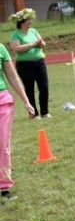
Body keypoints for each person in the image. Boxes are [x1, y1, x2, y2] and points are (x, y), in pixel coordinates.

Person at [0, 42, 36, 200]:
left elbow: (13, 77)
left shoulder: (0, 49)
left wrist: (26, 101)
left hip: (2, 103)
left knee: (2, 145)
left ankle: (4, 187)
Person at [9, 8, 51, 119]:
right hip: (25, 65)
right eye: (28, 20)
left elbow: (42, 44)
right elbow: (17, 48)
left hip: (39, 63)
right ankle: (34, 113)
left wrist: (41, 43)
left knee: (44, 87)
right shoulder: (15, 34)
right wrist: (33, 44)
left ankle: (45, 112)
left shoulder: (33, 31)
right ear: (22, 22)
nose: (30, 22)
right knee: (29, 89)